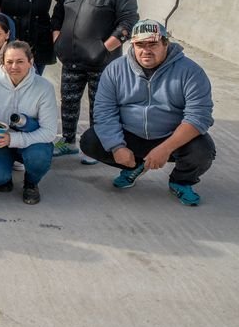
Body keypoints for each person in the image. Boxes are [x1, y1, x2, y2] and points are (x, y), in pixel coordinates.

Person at [81, 20, 216, 206]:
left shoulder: (191, 72)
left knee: (203, 151)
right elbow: (104, 111)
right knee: (91, 141)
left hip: (172, 136)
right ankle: (134, 167)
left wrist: (166, 148)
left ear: (165, 43)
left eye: (153, 44)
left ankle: (180, 181)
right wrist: (117, 147)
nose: (146, 50)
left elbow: (199, 116)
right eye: (140, 45)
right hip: (131, 134)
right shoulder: (115, 69)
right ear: (133, 45)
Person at [52, 0, 139, 162]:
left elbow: (128, 23)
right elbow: (58, 15)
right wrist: (58, 40)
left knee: (99, 106)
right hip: (71, 59)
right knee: (69, 102)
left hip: (102, 62)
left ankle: (95, 145)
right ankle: (68, 141)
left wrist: (103, 48)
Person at [0, 41, 60, 205]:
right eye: (9, 62)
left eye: (20, 61)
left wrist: (13, 140)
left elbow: (49, 131)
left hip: (30, 139)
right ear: (3, 62)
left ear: (31, 61)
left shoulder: (44, 87)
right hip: (0, 139)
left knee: (38, 159)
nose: (14, 66)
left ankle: (31, 183)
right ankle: (4, 174)